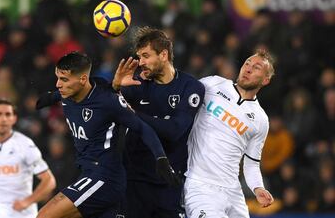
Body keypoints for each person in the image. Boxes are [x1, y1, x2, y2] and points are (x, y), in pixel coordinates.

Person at [35, 52, 180, 218]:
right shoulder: (67, 93)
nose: (58, 84)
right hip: (87, 172)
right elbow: (46, 99)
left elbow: (142, 128)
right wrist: (42, 100)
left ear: (83, 79)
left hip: (104, 176)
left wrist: (161, 159)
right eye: (58, 78)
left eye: (64, 79)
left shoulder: (107, 101)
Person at [112, 26, 205, 218]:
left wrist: (133, 114)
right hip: (135, 180)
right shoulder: (136, 84)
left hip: (169, 181)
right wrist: (115, 88)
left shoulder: (190, 87)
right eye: (139, 57)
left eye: (146, 56)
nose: (141, 62)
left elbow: (175, 130)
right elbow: (105, 110)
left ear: (163, 55)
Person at [184, 49, 275, 218]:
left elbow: (251, 163)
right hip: (200, 186)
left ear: (266, 79)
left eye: (256, 67)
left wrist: (258, 188)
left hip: (233, 192)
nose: (248, 69)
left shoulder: (261, 120)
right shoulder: (212, 84)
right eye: (247, 63)